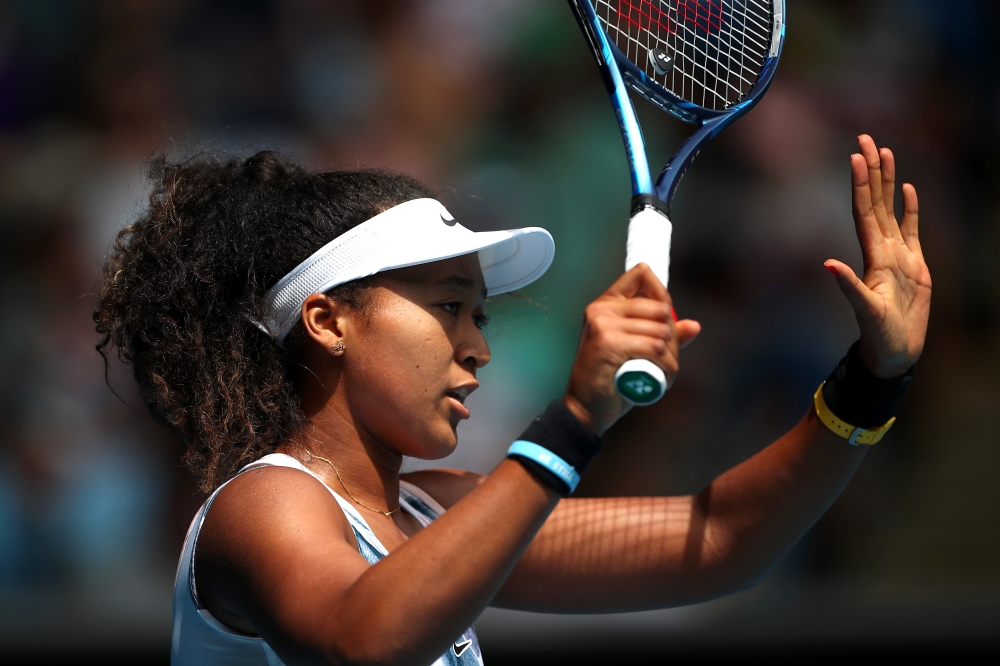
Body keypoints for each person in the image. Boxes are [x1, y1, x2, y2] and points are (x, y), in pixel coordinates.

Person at [94, 134, 930, 666]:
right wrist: (574, 422)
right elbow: (363, 644)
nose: (477, 347)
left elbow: (720, 540)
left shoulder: (436, 514)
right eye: (446, 306)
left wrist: (870, 379)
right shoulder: (264, 505)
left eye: (479, 315)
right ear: (328, 321)